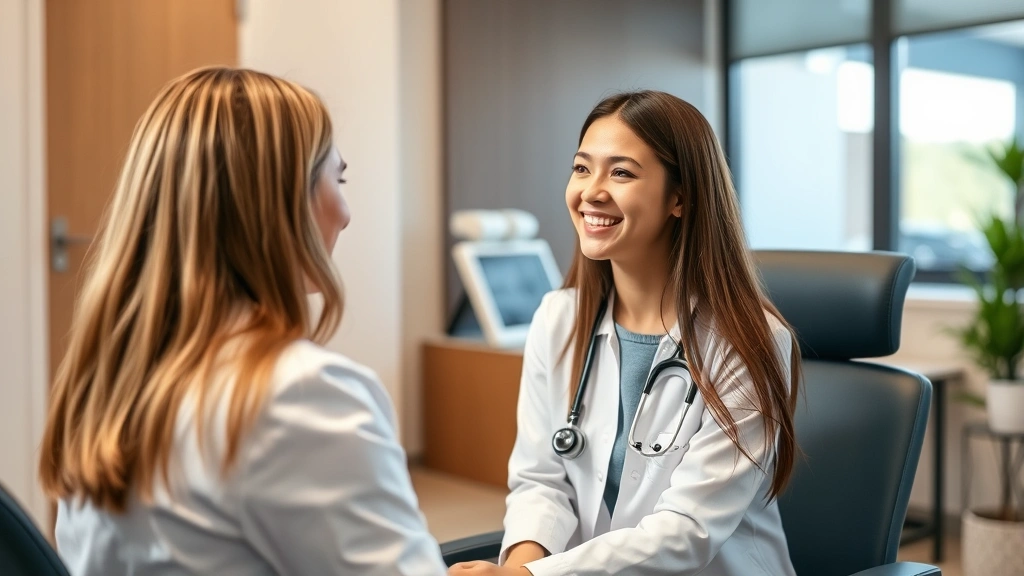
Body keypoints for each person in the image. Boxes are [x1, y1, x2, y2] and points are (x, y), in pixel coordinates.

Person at [39, 67, 446, 576]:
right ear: (277, 202)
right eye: (336, 178)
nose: (345, 212)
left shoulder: (107, 384)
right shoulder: (298, 394)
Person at [450, 91, 801, 576]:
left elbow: (687, 530)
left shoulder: (748, 340)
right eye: (581, 168)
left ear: (680, 197)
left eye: (621, 172)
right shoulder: (559, 318)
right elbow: (540, 481)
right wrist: (522, 566)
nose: (591, 191)